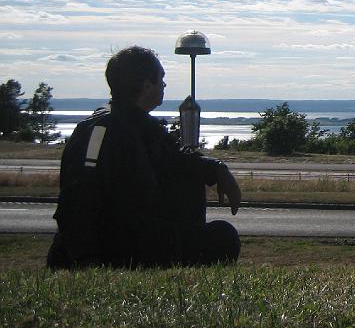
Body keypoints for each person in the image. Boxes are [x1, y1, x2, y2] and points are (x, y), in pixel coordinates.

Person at [47, 46, 242, 268]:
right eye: (161, 78)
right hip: (113, 250)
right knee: (221, 238)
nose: (165, 85)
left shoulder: (143, 126)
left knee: (221, 237)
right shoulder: (99, 131)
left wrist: (216, 169)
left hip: (141, 242)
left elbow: (178, 158)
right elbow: (77, 202)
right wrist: (86, 260)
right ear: (146, 85)